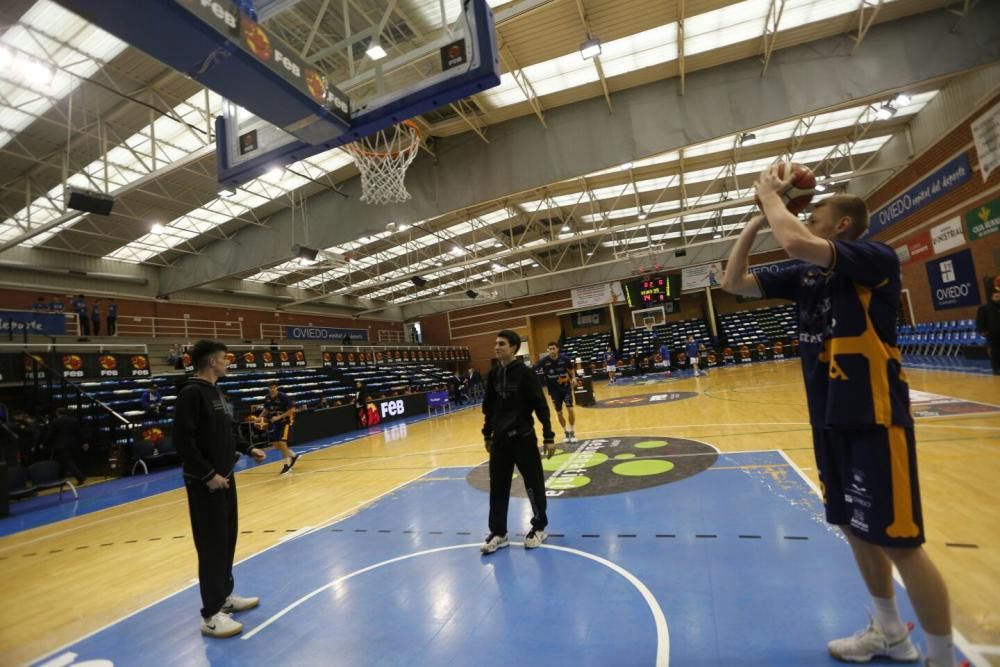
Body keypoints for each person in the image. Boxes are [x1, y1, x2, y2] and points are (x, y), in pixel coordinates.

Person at [720, 170, 958, 667]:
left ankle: (941, 657)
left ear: (843, 225)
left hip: (874, 418)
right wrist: (755, 218)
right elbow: (732, 282)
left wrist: (771, 198)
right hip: (828, 419)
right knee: (853, 528)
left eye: (815, 217)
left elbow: (794, 239)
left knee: (901, 543)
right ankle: (889, 632)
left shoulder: (874, 258)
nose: (806, 220)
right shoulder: (808, 275)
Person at [173, 339, 266, 638]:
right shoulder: (191, 394)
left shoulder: (218, 393)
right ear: (212, 362)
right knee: (212, 545)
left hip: (226, 478)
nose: (227, 363)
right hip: (206, 483)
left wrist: (248, 447)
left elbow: (227, 431)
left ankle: (223, 598)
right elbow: (183, 441)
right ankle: (211, 615)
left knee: (227, 540)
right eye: (224, 359)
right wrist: (208, 473)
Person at [480, 329, 555, 555]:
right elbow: (489, 408)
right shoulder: (493, 375)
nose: (497, 347)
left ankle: (539, 527)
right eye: (496, 343)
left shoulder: (526, 374)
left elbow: (540, 406)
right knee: (498, 487)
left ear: (513, 348)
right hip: (499, 443)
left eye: (502, 344)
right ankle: (499, 533)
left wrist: (548, 436)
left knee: (533, 484)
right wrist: (487, 434)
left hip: (523, 439)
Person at [533, 341, 578, 444]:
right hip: (554, 391)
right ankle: (566, 432)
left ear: (557, 349)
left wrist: (574, 378)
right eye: (550, 349)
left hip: (566, 388)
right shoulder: (544, 361)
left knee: (570, 409)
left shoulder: (565, 359)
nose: (552, 351)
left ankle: (572, 431)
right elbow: (533, 369)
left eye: (553, 348)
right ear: (547, 350)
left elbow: (571, 369)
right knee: (559, 412)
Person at [260, 381, 300, 475]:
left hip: (287, 421)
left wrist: (279, 417)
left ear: (277, 388)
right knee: (276, 444)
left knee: (282, 442)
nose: (272, 389)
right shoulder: (267, 398)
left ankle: (286, 466)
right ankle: (293, 456)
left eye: (274, 387)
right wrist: (259, 417)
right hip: (276, 422)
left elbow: (292, 410)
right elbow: (266, 409)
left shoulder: (283, 397)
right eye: (270, 388)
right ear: (268, 389)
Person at [43, 408, 85, 486]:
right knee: (63, 463)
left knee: (67, 462)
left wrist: (45, 443)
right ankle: (61, 480)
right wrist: (83, 442)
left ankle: (80, 476)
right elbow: (79, 433)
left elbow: (50, 434)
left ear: (58, 413)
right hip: (73, 445)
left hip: (61, 445)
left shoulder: (56, 421)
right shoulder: (74, 420)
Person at [975, 279, 1000, 375]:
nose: (998, 297)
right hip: (993, 335)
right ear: (992, 297)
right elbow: (980, 321)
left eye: (999, 296)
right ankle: (997, 369)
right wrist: (983, 330)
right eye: (996, 296)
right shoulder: (984, 308)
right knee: (995, 353)